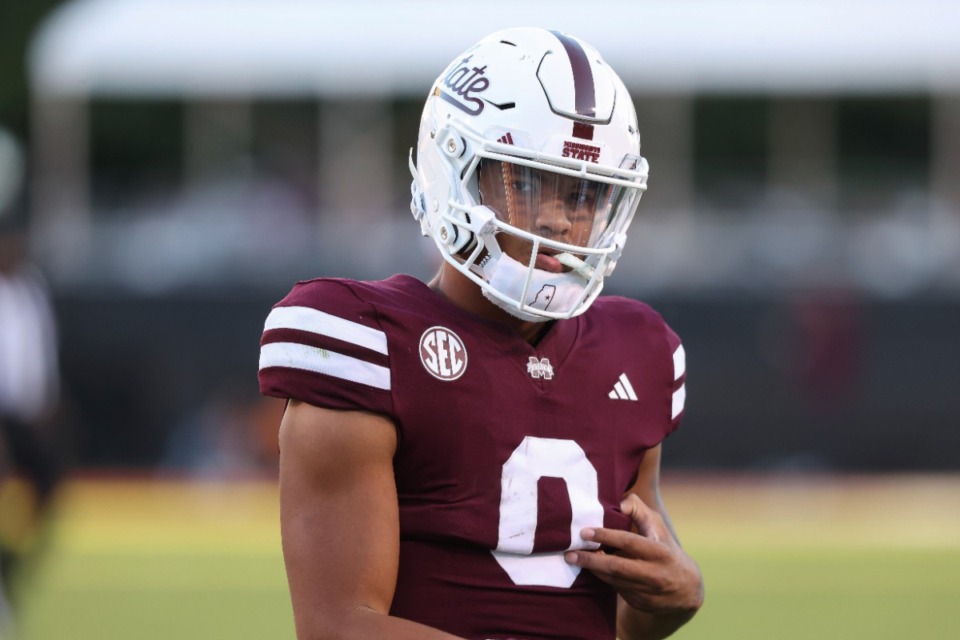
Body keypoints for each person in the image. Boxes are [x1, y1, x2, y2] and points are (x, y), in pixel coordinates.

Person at [258, 27, 703, 640]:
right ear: (453, 174)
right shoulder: (365, 338)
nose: (558, 219)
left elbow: (622, 619)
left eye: (583, 194)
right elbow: (338, 627)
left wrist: (673, 601)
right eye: (524, 184)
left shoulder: (640, 350)